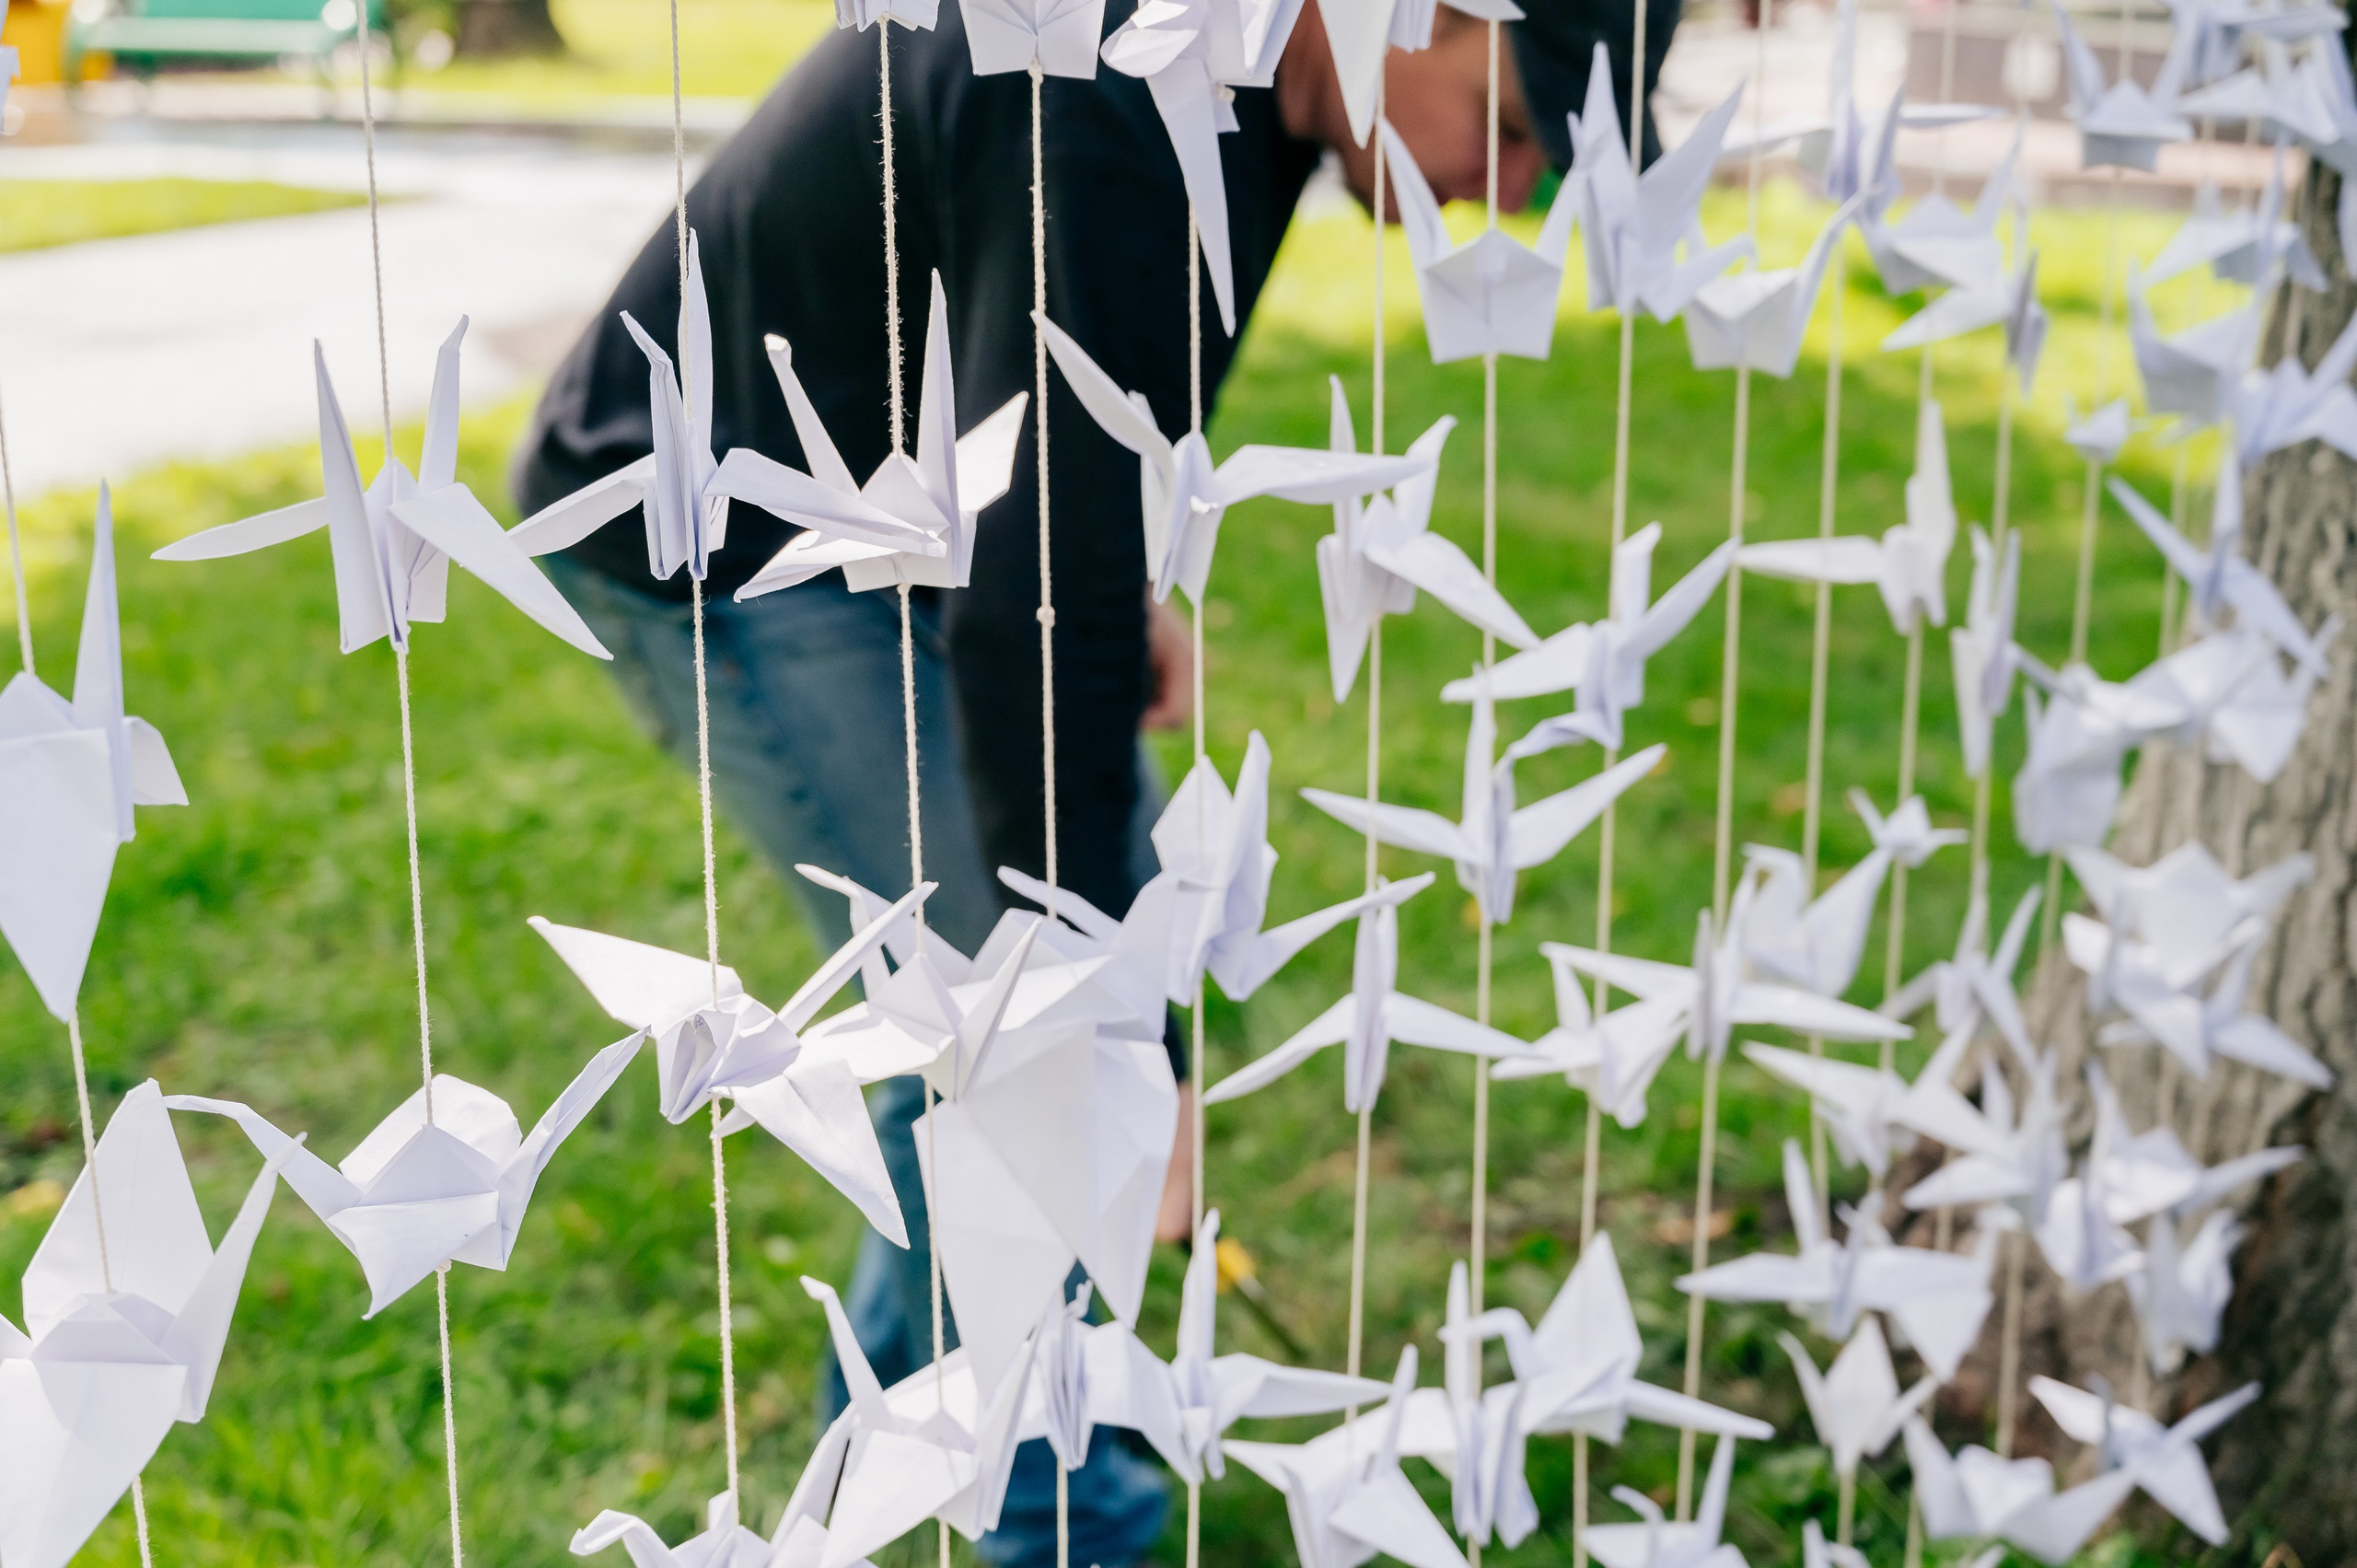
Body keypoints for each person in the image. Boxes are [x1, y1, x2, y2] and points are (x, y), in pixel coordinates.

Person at [511, 1, 1678, 1562]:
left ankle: (915, 1457)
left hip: (910, 524)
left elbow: (1075, 419)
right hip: (717, 526)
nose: (1507, 194)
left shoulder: (1258, 90)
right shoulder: (1122, 87)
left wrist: (1107, 581)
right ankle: (1059, 1518)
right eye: (1513, 125)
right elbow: (1031, 598)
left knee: (1053, 1030)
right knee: (1016, 1045)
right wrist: (1134, 1050)